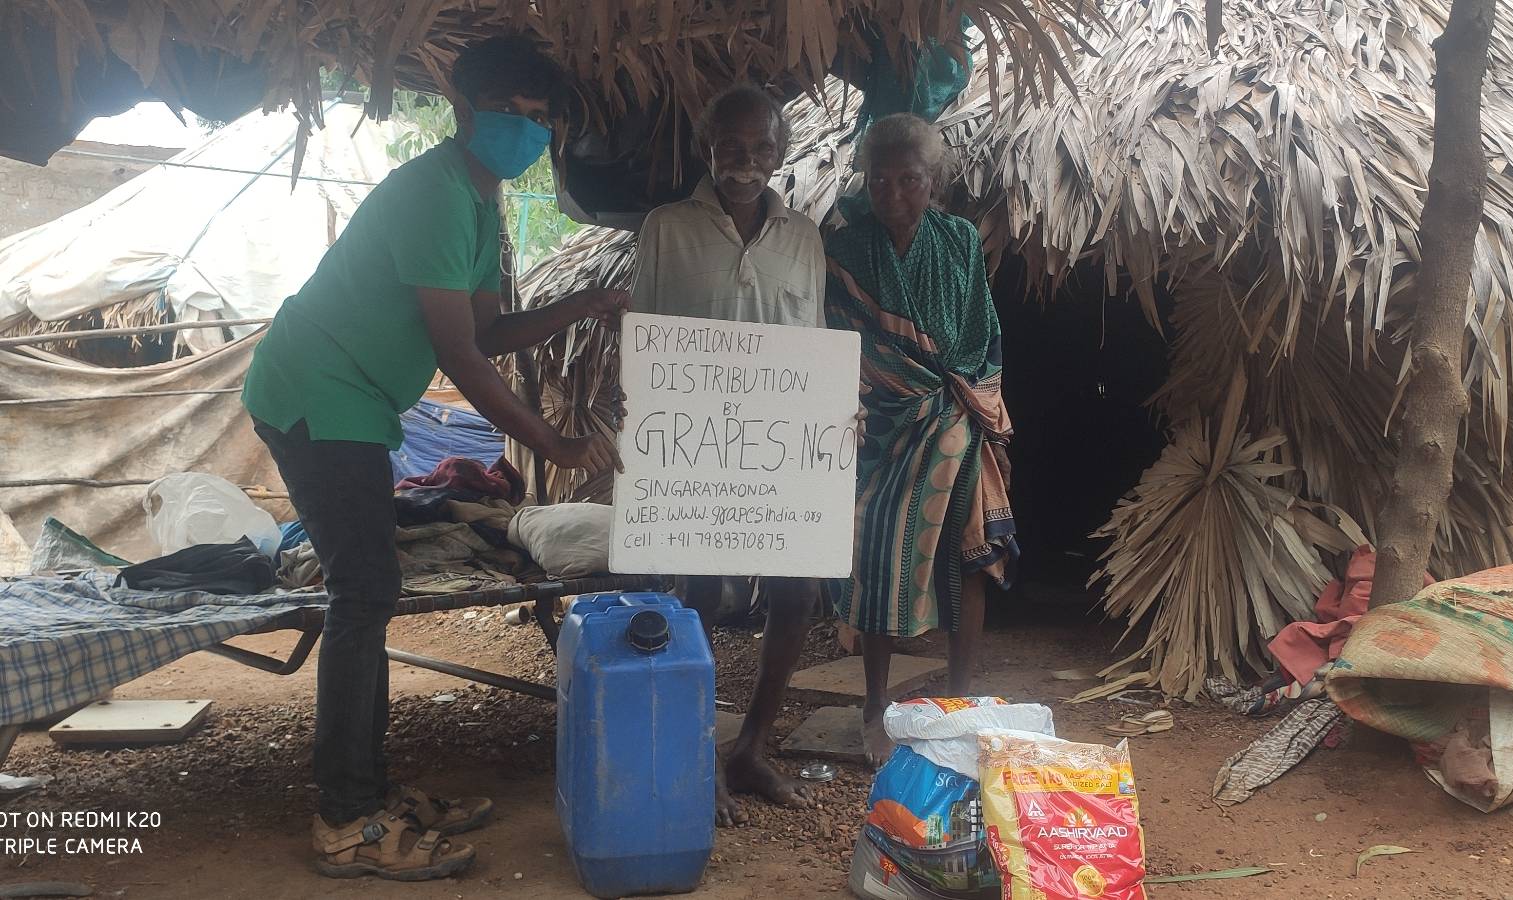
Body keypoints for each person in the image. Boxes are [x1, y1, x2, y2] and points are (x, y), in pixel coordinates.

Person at [242, 36, 625, 880]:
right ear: (464, 111)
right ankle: (346, 818)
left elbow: (489, 328)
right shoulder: (436, 195)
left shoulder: (477, 201)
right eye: (513, 115)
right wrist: (551, 442)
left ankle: (366, 789)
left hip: (351, 401)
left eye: (541, 120)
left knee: (366, 591)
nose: (530, 132)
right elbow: (463, 357)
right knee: (364, 592)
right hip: (316, 391)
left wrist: (583, 301)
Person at [631, 84, 825, 825]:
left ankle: (751, 747)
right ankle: (696, 750)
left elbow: (811, 344)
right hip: (696, 449)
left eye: (763, 150)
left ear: (781, 154)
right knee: (701, 594)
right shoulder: (665, 228)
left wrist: (834, 410)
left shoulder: (804, 237)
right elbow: (646, 337)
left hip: (780, 447)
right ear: (709, 147)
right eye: (733, 148)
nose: (747, 163)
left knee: (796, 593)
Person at [824, 113, 1018, 764]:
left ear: (933, 181)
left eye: (909, 180)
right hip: (880, 429)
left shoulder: (959, 240)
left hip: (954, 422)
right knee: (877, 557)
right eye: (880, 180)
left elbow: (978, 333)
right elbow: (839, 342)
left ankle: (960, 700)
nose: (894, 194)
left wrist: (959, 403)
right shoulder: (845, 250)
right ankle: (875, 703)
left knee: (969, 560)